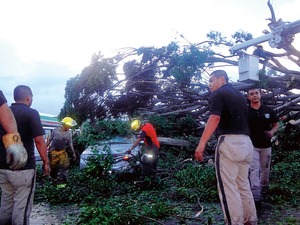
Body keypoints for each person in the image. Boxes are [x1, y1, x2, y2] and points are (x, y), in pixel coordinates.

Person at [194, 70, 257, 225]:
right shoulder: (241, 97)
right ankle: (251, 220)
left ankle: (235, 222)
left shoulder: (218, 94)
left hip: (229, 142)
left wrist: (201, 144)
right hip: (246, 143)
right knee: (243, 184)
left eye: (211, 80)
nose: (209, 85)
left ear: (222, 79)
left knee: (228, 188)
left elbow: (215, 117)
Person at [0, 85, 50, 225]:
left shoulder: (4, 111)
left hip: (3, 168)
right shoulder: (31, 113)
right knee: (21, 207)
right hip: (24, 168)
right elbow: (39, 141)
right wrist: (46, 162)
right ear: (29, 98)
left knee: (6, 202)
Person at [247, 88, 279, 208]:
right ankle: (256, 197)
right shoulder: (246, 111)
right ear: (248, 97)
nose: (254, 96)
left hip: (266, 145)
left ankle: (264, 190)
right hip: (252, 145)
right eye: (251, 94)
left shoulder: (268, 110)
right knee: (254, 169)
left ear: (260, 95)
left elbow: (276, 125)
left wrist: (272, 132)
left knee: (265, 170)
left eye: (256, 93)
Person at [46, 117, 77, 183]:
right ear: (65, 125)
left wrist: (73, 153)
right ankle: (53, 180)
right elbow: (50, 139)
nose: (69, 127)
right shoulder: (55, 130)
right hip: (53, 152)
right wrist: (44, 148)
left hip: (62, 152)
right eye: (69, 126)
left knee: (64, 166)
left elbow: (70, 143)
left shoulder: (69, 133)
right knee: (53, 168)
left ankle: (62, 182)